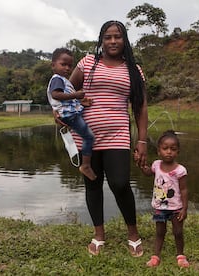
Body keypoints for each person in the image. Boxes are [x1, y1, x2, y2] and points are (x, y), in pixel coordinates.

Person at [66, 20, 148, 256]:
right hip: (86, 135)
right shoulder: (88, 63)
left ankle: (133, 233)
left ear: (125, 40)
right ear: (102, 40)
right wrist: (69, 106)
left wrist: (142, 141)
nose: (113, 41)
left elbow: (140, 108)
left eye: (118, 37)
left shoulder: (134, 70)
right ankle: (99, 234)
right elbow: (66, 91)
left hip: (118, 134)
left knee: (120, 183)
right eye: (108, 37)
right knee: (92, 184)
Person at [138, 130, 189, 268]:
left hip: (176, 208)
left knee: (178, 232)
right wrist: (141, 165)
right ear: (159, 151)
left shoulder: (180, 170)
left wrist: (184, 208)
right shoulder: (156, 165)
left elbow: (184, 190)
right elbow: (148, 173)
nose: (169, 152)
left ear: (178, 151)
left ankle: (181, 256)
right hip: (160, 208)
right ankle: (156, 256)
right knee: (160, 232)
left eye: (173, 149)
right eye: (165, 148)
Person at [47, 48, 97, 181]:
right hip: (69, 115)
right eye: (63, 64)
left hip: (70, 114)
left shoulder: (64, 81)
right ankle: (85, 165)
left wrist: (81, 101)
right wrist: (75, 94)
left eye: (70, 65)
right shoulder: (57, 79)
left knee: (87, 137)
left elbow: (68, 100)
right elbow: (56, 95)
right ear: (53, 65)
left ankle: (85, 163)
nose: (67, 68)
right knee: (89, 137)